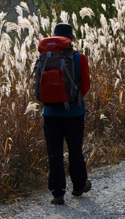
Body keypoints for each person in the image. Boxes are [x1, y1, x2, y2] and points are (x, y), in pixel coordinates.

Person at [42, 23, 91, 205]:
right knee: (75, 150)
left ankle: (57, 193)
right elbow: (85, 86)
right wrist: (73, 100)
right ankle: (78, 186)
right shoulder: (80, 57)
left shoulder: (45, 57)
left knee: (54, 153)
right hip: (74, 113)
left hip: (49, 113)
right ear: (70, 38)